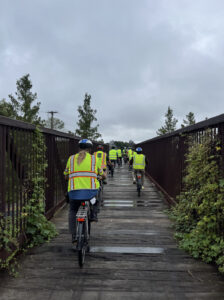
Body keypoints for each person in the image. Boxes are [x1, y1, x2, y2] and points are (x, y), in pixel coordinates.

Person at [64, 139, 103, 245]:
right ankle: (94, 214)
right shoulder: (94, 159)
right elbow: (101, 173)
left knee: (72, 210)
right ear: (90, 149)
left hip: (74, 192)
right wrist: (101, 176)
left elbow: (66, 175)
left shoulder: (71, 159)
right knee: (97, 196)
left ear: (79, 148)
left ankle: (74, 235)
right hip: (90, 192)